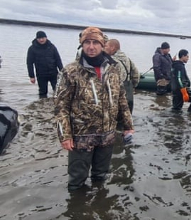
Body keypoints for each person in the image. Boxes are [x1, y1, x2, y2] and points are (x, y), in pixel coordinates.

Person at [54, 27, 134, 191]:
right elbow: (61, 106)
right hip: (81, 136)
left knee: (101, 176)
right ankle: (77, 211)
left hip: (107, 134)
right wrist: (65, 135)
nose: (91, 47)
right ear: (82, 45)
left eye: (95, 43)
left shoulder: (113, 70)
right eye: (87, 43)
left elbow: (121, 99)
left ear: (103, 45)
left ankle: (99, 203)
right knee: (77, 181)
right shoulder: (70, 71)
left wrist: (128, 126)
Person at [104, 39, 140, 113]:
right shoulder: (128, 59)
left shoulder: (111, 61)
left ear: (112, 47)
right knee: (128, 118)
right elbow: (136, 74)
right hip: (129, 94)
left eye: (106, 46)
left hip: (118, 96)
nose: (104, 48)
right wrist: (133, 86)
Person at [26, 31, 63, 98]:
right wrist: (31, 76)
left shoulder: (52, 47)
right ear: (36, 39)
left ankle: (57, 105)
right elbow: (29, 63)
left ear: (46, 38)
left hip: (53, 73)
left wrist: (62, 71)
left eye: (43, 38)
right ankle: (41, 106)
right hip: (41, 74)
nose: (41, 40)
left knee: (58, 91)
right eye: (39, 38)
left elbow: (58, 60)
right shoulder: (32, 49)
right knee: (42, 92)